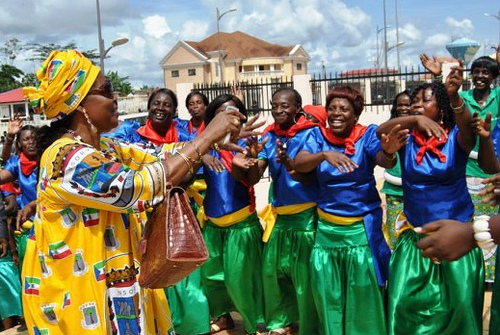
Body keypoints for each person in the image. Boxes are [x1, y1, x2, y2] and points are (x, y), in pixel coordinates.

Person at [21, 49, 245, 335]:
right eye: (107, 91)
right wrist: (206, 136)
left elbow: (159, 155)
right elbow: (138, 186)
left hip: (120, 288)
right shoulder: (66, 158)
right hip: (81, 298)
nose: (115, 100)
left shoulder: (106, 149)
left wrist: (215, 141)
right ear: (79, 104)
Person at [289, 85, 405, 335]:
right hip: (327, 233)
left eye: (344, 109)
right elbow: (299, 162)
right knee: (329, 294)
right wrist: (324, 155)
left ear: (356, 114)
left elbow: (383, 160)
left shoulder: (368, 135)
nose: (336, 113)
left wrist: (389, 152)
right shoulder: (316, 136)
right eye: (331, 108)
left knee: (363, 294)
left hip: (361, 231)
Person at [377, 65, 483, 335]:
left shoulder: (456, 140)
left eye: (426, 101)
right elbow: (381, 131)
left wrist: (454, 96)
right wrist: (414, 121)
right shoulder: (406, 140)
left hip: (456, 241)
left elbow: (469, 130)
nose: (418, 106)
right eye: (414, 103)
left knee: (460, 310)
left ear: (442, 106)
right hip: (416, 239)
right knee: (403, 307)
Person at [234, 88, 321, 335]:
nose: (278, 110)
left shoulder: (311, 134)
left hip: (307, 218)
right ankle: (280, 323)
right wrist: (250, 158)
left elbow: (310, 176)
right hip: (281, 217)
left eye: (284, 106)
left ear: (297, 108)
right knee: (273, 273)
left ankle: (309, 326)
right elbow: (253, 178)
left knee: (305, 279)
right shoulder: (269, 137)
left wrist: (291, 164)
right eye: (274, 105)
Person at [421, 48, 500, 280]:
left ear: (494, 77)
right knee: (467, 220)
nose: (481, 76)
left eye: (486, 72)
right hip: (464, 169)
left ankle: (489, 274)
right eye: (476, 71)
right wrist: (437, 78)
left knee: (489, 220)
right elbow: (443, 101)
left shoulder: (498, 97)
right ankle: (469, 272)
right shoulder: (462, 99)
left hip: (490, 168)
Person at [200, 94, 264, 335]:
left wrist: (249, 160)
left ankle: (252, 324)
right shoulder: (203, 144)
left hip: (240, 228)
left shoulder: (248, 144)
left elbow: (251, 179)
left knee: (242, 280)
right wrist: (203, 153)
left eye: (235, 112)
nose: (230, 118)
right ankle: (223, 317)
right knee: (212, 277)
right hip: (213, 227)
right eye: (223, 113)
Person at [380, 90, 412, 249]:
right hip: (394, 189)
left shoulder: (420, 129)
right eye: (400, 105)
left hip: (416, 190)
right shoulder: (389, 128)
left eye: (408, 104)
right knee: (395, 232)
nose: (404, 108)